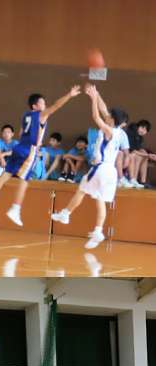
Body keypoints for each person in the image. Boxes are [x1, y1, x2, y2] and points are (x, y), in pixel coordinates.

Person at [0, 86, 81, 227]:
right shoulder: (41, 115)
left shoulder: (25, 115)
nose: (44, 105)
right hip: (29, 150)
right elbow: (56, 106)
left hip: (19, 147)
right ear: (35, 106)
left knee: (6, 174)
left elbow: (21, 133)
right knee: (25, 180)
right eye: (42, 103)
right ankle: (15, 209)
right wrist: (69, 95)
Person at [52, 85, 128, 249]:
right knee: (100, 200)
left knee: (81, 190)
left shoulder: (108, 130)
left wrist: (93, 99)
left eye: (109, 116)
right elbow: (104, 109)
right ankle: (98, 231)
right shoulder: (119, 132)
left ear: (113, 120)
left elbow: (96, 116)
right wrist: (97, 94)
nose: (107, 115)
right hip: (111, 172)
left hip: (101, 168)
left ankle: (66, 214)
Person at [125, 120, 152, 188]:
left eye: (145, 130)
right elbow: (132, 150)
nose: (143, 131)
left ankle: (143, 181)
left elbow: (138, 149)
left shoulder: (140, 137)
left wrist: (146, 154)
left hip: (131, 154)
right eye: (142, 128)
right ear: (138, 126)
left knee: (144, 155)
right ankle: (134, 179)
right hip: (125, 154)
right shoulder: (131, 132)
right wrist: (148, 155)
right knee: (138, 156)